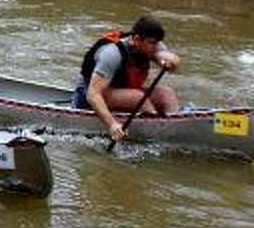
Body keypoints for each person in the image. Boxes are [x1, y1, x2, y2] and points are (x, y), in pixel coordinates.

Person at [74, 15, 182, 143]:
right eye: (152, 43)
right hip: (87, 97)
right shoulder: (112, 54)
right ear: (137, 39)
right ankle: (157, 135)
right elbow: (93, 95)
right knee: (138, 97)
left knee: (166, 94)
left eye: (157, 43)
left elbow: (170, 58)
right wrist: (112, 124)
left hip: (122, 93)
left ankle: (177, 128)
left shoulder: (150, 43)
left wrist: (170, 61)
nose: (156, 46)